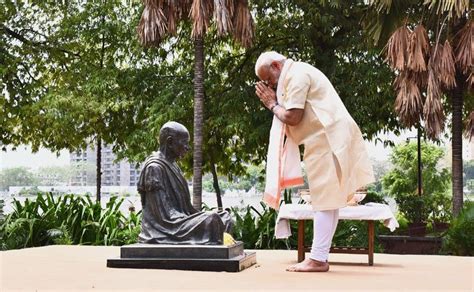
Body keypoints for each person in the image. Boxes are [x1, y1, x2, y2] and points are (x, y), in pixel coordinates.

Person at [255, 52, 374, 272]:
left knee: (323, 198)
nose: (269, 85)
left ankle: (318, 259)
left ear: (275, 66)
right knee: (330, 198)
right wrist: (274, 100)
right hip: (328, 136)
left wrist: (271, 103)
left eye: (268, 79)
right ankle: (320, 256)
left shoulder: (297, 75)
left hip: (327, 136)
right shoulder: (296, 73)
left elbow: (293, 116)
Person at [137, 121, 233, 245]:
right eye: (184, 143)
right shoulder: (155, 168)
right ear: (170, 142)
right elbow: (164, 215)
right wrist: (200, 219)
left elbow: (187, 209)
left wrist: (197, 217)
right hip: (168, 227)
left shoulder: (173, 165)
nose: (188, 148)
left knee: (225, 217)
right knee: (213, 220)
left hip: (180, 219)